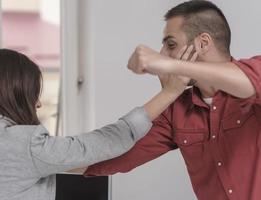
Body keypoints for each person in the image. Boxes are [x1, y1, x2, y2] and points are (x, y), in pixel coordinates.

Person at [84, 1, 261, 200]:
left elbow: (249, 84)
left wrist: (171, 65)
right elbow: (113, 156)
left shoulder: (256, 71)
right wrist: (47, 157)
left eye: (171, 45)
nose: (162, 55)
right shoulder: (177, 111)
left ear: (203, 43)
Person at [0, 48, 195, 200]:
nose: (37, 104)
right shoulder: (22, 144)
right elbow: (107, 141)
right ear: (12, 94)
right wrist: (169, 92)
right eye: (32, 95)